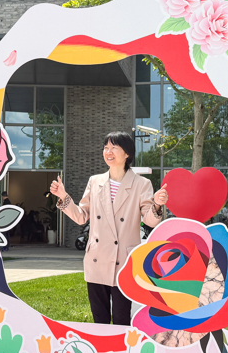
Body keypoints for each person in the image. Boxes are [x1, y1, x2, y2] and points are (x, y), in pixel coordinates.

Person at [51, 131, 168, 325]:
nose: (108, 152)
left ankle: (122, 346)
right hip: (97, 259)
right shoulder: (95, 181)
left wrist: (156, 204)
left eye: (114, 148)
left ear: (127, 153)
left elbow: (150, 221)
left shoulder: (142, 184)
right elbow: (81, 216)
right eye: (106, 148)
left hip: (124, 262)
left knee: (122, 318)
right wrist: (64, 197)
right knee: (100, 320)